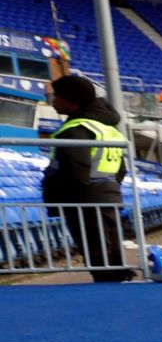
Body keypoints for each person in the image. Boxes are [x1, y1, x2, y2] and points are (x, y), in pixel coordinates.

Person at [41, 75, 133, 282]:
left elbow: (76, 167)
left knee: (95, 246)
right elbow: (121, 169)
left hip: (85, 196)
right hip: (109, 192)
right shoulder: (106, 128)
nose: (53, 100)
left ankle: (106, 286)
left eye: (57, 96)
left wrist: (65, 194)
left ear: (71, 100)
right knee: (111, 242)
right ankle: (117, 281)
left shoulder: (76, 129)